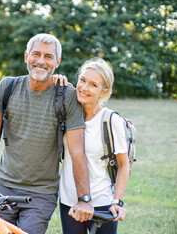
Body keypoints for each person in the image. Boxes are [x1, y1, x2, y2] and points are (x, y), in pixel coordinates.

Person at [0, 33, 94, 234]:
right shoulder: (7, 87)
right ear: (26, 56)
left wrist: (84, 199)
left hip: (40, 194)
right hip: (3, 188)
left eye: (48, 56)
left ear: (57, 61)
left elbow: (77, 151)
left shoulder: (68, 96)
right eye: (36, 54)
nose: (41, 61)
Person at [54, 57, 129, 234]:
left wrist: (116, 201)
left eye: (93, 85)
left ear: (104, 91)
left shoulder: (111, 120)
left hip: (101, 203)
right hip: (69, 200)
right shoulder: (68, 112)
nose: (84, 88)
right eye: (82, 80)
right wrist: (54, 79)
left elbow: (124, 165)